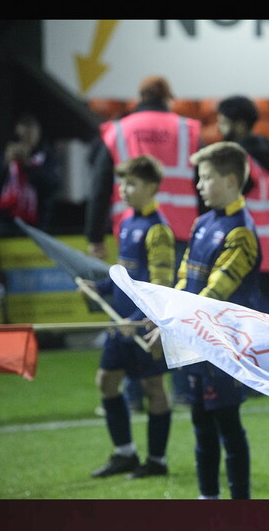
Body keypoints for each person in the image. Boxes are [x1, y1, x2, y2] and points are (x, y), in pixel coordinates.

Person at [87, 75, 203, 405]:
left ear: (139, 97)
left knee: (132, 308)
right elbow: (203, 183)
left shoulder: (118, 129)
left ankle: (135, 395)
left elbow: (99, 184)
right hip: (182, 231)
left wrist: (94, 236)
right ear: (168, 98)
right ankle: (182, 390)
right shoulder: (187, 129)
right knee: (174, 312)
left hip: (132, 228)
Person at [169, 141, 261, 499]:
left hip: (224, 343)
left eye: (206, 177)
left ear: (231, 180)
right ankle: (208, 497)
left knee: (227, 425)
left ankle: (240, 502)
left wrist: (178, 321)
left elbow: (216, 292)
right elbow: (184, 277)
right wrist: (169, 315)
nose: (199, 185)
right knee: (200, 423)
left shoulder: (241, 231)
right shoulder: (202, 222)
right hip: (194, 336)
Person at [78, 155, 175, 480]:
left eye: (131, 183)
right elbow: (124, 276)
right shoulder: (127, 222)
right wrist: (99, 287)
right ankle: (125, 454)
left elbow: (160, 287)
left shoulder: (158, 230)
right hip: (121, 324)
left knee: (153, 387)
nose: (123, 189)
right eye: (122, 183)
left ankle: (157, 461)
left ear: (151, 187)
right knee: (106, 381)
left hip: (142, 325)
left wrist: (136, 318)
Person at [216, 95, 269, 301]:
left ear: (239, 125)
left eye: (223, 122)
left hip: (245, 248)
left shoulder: (239, 159)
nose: (218, 128)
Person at [0, 113, 62, 234]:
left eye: (30, 135)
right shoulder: (4, 157)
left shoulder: (47, 158)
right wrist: (5, 165)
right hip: (6, 223)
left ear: (38, 134)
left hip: (39, 224)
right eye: (22, 136)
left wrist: (28, 166)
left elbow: (52, 186)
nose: (26, 140)